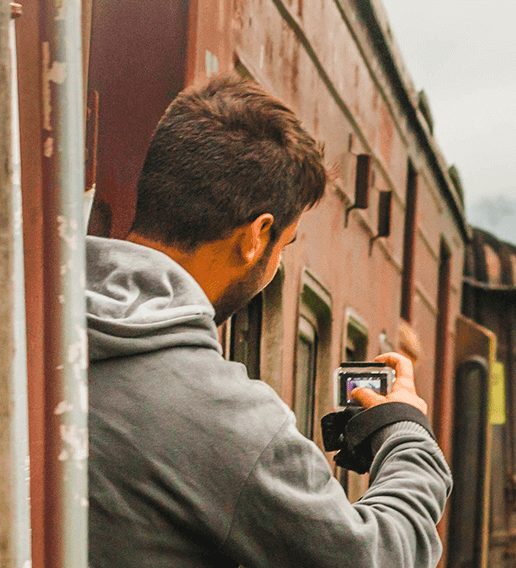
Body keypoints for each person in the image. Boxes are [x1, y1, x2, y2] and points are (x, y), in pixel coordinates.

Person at [86, 74, 450, 567]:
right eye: (286, 245)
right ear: (256, 237)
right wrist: (408, 437)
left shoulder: (27, 326)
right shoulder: (226, 422)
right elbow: (376, 557)